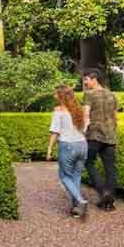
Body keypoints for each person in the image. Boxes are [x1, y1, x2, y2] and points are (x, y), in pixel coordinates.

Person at [46, 84, 90, 218]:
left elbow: (54, 131)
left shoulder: (58, 110)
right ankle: (76, 209)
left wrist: (49, 149)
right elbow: (85, 128)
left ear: (61, 96)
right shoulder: (79, 110)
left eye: (56, 94)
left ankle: (80, 200)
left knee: (64, 177)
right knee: (76, 177)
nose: (54, 96)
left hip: (68, 146)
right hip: (82, 145)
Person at [82, 69, 118, 211]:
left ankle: (103, 192)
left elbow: (86, 115)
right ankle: (108, 202)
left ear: (94, 79)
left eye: (86, 79)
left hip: (94, 135)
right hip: (110, 135)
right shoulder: (111, 94)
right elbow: (115, 117)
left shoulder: (89, 95)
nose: (85, 82)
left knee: (88, 162)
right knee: (110, 169)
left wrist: (82, 132)